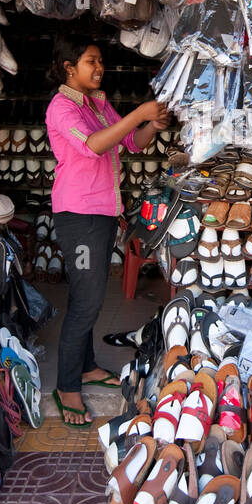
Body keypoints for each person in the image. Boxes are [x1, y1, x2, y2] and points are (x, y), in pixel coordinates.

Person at [44, 35, 170, 426]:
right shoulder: (62, 108)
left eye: (100, 62)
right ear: (69, 67)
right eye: (91, 61)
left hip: (100, 213)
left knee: (91, 295)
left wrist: (150, 123)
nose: (99, 69)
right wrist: (137, 113)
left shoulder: (97, 103)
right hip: (79, 216)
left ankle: (85, 366)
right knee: (86, 301)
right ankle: (67, 387)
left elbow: (130, 142)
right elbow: (95, 145)